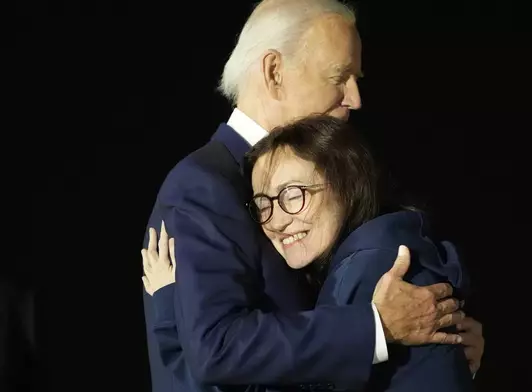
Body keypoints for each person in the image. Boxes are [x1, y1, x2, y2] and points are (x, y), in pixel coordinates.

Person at [140, 0, 484, 391]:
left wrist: (442, 348)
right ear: (274, 72)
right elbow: (214, 351)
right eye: (339, 76)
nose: (354, 98)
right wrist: (377, 327)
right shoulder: (204, 186)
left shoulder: (338, 180)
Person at [144, 115, 476, 391]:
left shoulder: (376, 270)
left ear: (346, 184)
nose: (278, 220)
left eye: (293, 194)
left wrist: (171, 316)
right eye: (263, 204)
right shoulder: (373, 254)